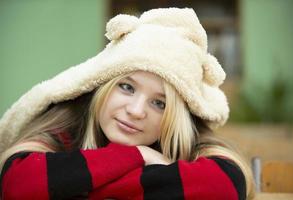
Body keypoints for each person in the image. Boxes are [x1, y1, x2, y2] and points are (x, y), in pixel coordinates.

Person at [0, 8, 255, 200]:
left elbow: (226, 186)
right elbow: (18, 184)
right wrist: (139, 156)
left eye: (159, 104)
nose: (135, 111)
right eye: (127, 87)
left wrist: (72, 183)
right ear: (103, 84)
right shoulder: (67, 125)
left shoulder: (187, 142)